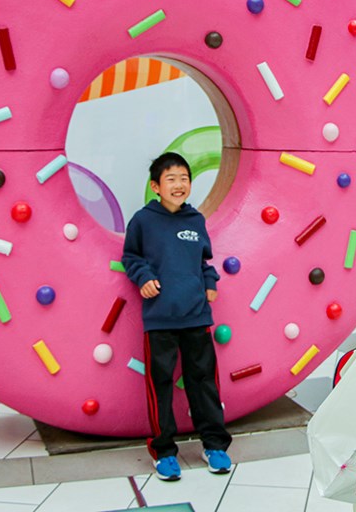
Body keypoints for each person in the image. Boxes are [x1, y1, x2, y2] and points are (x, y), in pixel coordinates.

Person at [122, 152, 233, 481]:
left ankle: (214, 446)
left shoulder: (195, 220)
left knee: (205, 384)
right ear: (156, 186)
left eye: (184, 178)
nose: (179, 184)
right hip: (160, 320)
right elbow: (130, 257)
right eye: (171, 179)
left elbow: (203, 262)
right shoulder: (143, 220)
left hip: (197, 316)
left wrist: (210, 283)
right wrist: (143, 277)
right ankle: (164, 451)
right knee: (161, 386)